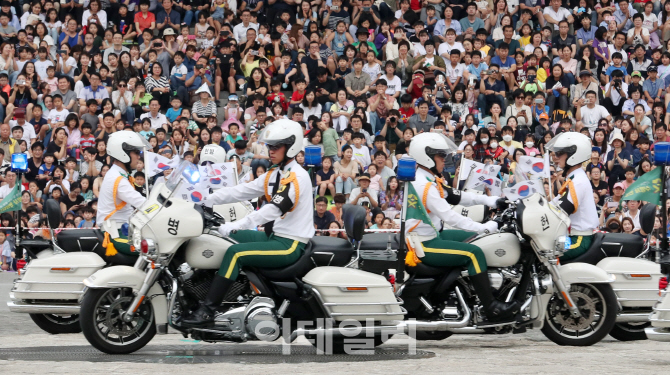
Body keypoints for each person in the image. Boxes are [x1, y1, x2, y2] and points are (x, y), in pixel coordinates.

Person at [184, 119, 314, 327]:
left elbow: (273, 209)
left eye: (276, 146)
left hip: (290, 244)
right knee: (220, 236)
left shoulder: (296, 177)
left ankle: (208, 311)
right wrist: (205, 198)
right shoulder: (275, 173)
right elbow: (240, 191)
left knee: (235, 254)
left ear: (291, 147)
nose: (271, 151)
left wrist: (240, 224)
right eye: (269, 146)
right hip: (275, 237)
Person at [405, 132, 519, 322]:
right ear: (428, 157)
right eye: (440, 156)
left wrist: (493, 200)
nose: (444, 160)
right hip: (423, 244)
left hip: (432, 235)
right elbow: (450, 216)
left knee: (478, 241)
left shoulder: (428, 179)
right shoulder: (424, 186)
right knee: (474, 253)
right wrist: (485, 227)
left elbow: (458, 196)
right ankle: (491, 306)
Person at [546, 132, 599, 261]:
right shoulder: (574, 177)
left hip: (579, 239)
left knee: (545, 254)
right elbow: (554, 204)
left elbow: (561, 210)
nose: (555, 157)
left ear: (573, 155)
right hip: (572, 236)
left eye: (559, 153)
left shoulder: (578, 181)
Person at [97, 132, 149, 257]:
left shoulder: (118, 174)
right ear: (123, 153)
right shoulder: (117, 179)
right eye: (136, 153)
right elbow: (143, 204)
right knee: (156, 249)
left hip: (124, 229)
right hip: (116, 234)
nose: (139, 157)